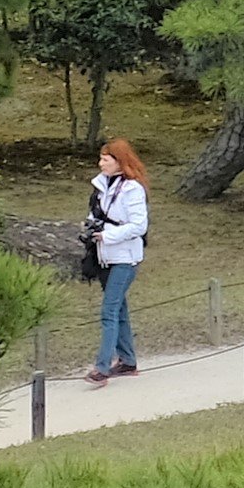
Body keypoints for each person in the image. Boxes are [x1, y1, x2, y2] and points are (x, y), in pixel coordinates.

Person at [86, 138, 152, 379]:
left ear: (119, 162)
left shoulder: (132, 189)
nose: (101, 163)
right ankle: (127, 360)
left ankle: (102, 367)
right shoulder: (101, 186)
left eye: (106, 159)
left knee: (109, 310)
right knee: (119, 309)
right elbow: (94, 215)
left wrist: (108, 236)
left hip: (125, 257)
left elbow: (138, 225)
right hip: (106, 257)